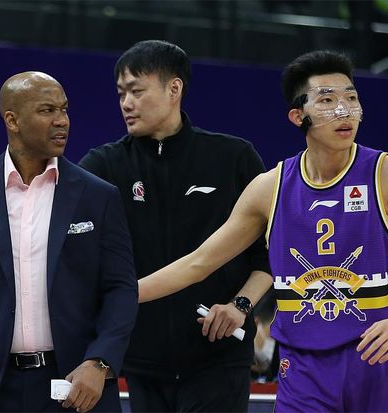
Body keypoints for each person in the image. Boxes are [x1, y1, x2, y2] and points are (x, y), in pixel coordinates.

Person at [137, 50, 388, 412]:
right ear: (298, 116)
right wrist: (125, 294)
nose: (343, 110)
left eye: (351, 98)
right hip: (303, 367)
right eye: (326, 100)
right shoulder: (270, 187)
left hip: (379, 357)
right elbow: (199, 262)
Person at [0, 71, 138, 413]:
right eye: (47, 110)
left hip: (75, 386)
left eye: (64, 109)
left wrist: (100, 361)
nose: (62, 120)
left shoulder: (99, 196)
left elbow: (121, 289)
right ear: (12, 120)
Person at [78, 40, 272, 412]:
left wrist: (241, 305)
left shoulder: (234, 158)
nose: (126, 103)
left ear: (174, 89)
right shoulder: (104, 166)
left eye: (136, 91)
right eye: (120, 94)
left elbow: (269, 251)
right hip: (141, 364)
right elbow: (54, 205)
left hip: (219, 358)